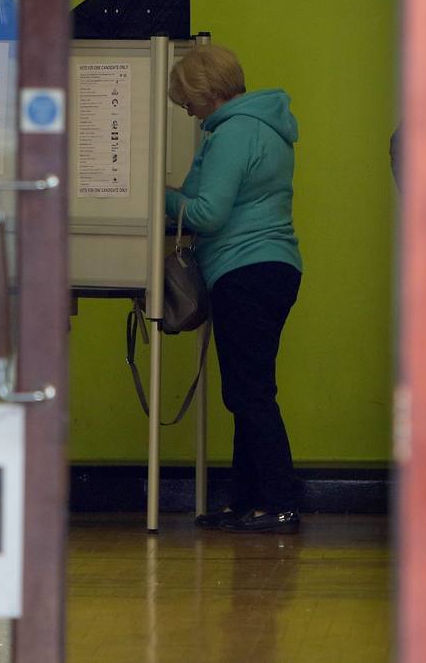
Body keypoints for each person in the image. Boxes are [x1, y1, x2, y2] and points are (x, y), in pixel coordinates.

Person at [165, 44, 304, 534]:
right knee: (247, 391)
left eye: (187, 98)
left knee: (250, 393)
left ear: (205, 91)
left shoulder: (234, 133)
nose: (185, 107)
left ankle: (277, 502)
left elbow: (208, 213)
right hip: (269, 268)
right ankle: (249, 501)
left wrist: (151, 198)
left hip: (245, 270)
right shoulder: (263, 125)